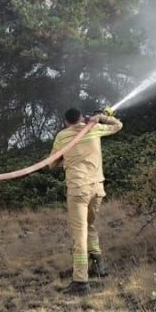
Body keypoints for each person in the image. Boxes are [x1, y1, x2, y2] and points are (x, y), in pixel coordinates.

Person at [49, 107, 123, 294]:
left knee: (79, 234)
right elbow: (118, 125)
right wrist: (100, 118)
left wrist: (65, 159)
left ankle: (81, 281)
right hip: (97, 188)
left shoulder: (62, 136)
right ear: (82, 118)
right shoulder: (94, 128)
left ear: (66, 121)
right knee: (90, 226)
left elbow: (51, 164)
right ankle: (99, 266)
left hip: (78, 190)